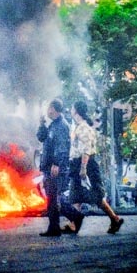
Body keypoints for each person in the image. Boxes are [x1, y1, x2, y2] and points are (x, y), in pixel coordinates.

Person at [68, 100, 124, 234]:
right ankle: (73, 224)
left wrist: (83, 167)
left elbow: (86, 149)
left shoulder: (84, 128)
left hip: (87, 164)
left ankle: (115, 219)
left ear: (76, 110)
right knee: (75, 195)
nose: (70, 110)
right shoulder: (77, 126)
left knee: (97, 196)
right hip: (77, 164)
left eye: (72, 108)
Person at [37, 98, 85, 237]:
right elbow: (41, 137)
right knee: (52, 198)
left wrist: (57, 163)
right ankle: (55, 227)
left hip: (56, 168)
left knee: (55, 198)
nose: (47, 110)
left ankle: (74, 217)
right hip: (49, 167)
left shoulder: (62, 126)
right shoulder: (52, 125)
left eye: (48, 107)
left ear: (53, 108)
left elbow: (62, 147)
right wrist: (41, 124)